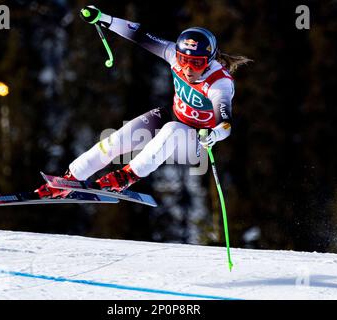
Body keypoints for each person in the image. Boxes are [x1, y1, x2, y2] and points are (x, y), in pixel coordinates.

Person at [35, 5, 251, 199]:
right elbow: (137, 33)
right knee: (117, 140)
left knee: (173, 129)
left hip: (195, 139)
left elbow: (226, 124)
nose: (188, 68)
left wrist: (213, 135)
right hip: (174, 115)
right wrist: (102, 18)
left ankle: (127, 175)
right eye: (184, 60)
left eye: (196, 63)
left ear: (209, 60)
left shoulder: (219, 83)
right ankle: (70, 179)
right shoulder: (172, 55)